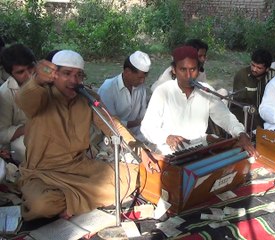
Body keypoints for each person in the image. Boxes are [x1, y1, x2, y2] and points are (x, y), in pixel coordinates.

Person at [16, 50, 159, 221]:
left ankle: (69, 203)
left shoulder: (86, 97)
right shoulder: (41, 95)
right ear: (54, 76)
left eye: (79, 75)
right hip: (41, 172)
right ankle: (74, 202)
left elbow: (113, 126)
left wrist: (141, 152)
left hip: (79, 168)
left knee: (130, 177)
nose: (73, 81)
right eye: (67, 74)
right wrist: (37, 80)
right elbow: (24, 99)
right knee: (42, 205)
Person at [141, 46, 257, 157]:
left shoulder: (206, 91)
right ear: (174, 70)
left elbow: (225, 117)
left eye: (193, 69)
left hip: (199, 150)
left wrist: (241, 133)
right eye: (183, 69)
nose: (188, 75)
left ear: (198, 70)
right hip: (169, 152)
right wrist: (167, 137)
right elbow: (147, 127)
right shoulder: (163, 91)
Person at [98, 51, 151, 142]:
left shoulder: (140, 87)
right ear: (127, 72)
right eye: (139, 78)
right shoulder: (107, 89)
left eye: (144, 78)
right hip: (115, 136)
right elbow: (109, 122)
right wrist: (139, 122)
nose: (142, 81)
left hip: (138, 133)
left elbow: (142, 113)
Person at [0, 44, 36, 163]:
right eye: (21, 72)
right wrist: (29, 128)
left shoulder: (43, 79)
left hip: (47, 128)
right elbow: (2, 133)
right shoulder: (5, 94)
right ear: (11, 74)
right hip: (23, 136)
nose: (29, 75)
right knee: (23, 148)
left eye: (31, 67)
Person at [231, 49, 275, 131]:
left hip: (267, 114)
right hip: (244, 114)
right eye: (253, 65)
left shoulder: (274, 76)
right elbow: (238, 101)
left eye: (259, 68)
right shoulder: (242, 75)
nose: (254, 69)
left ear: (267, 69)